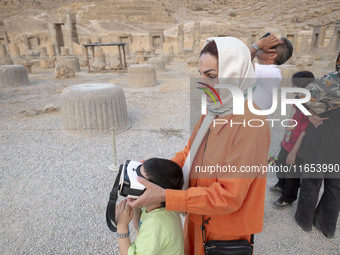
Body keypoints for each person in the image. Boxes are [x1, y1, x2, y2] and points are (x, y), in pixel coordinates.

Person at [129, 37, 271, 255]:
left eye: (211, 75)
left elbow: (229, 196)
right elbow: (190, 152)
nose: (203, 83)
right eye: (201, 74)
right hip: (197, 214)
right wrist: (154, 172)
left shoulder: (252, 124)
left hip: (223, 231)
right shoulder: (214, 108)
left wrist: (167, 196)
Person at [294, 52, 340, 238]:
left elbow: (299, 97)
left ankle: (304, 220)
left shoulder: (331, 80)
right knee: (336, 186)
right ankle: (327, 226)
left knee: (312, 181)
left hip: (324, 135)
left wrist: (311, 115)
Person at [115, 158, 184, 255]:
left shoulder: (156, 224)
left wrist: (122, 226)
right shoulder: (161, 205)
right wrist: (136, 204)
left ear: (155, 191)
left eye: (140, 178)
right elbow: (139, 225)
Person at [270, 71, 315, 207]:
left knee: (292, 172)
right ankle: (281, 183)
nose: (291, 86)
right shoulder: (297, 98)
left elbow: (304, 130)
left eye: (293, 84)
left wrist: (294, 152)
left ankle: (288, 197)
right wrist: (284, 140)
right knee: (279, 162)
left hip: (297, 146)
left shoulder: (310, 105)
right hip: (288, 140)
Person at [248, 35, 293, 110]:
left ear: (272, 55)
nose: (264, 44)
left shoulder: (270, 73)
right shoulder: (265, 69)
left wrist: (257, 46)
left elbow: (241, 58)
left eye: (269, 45)